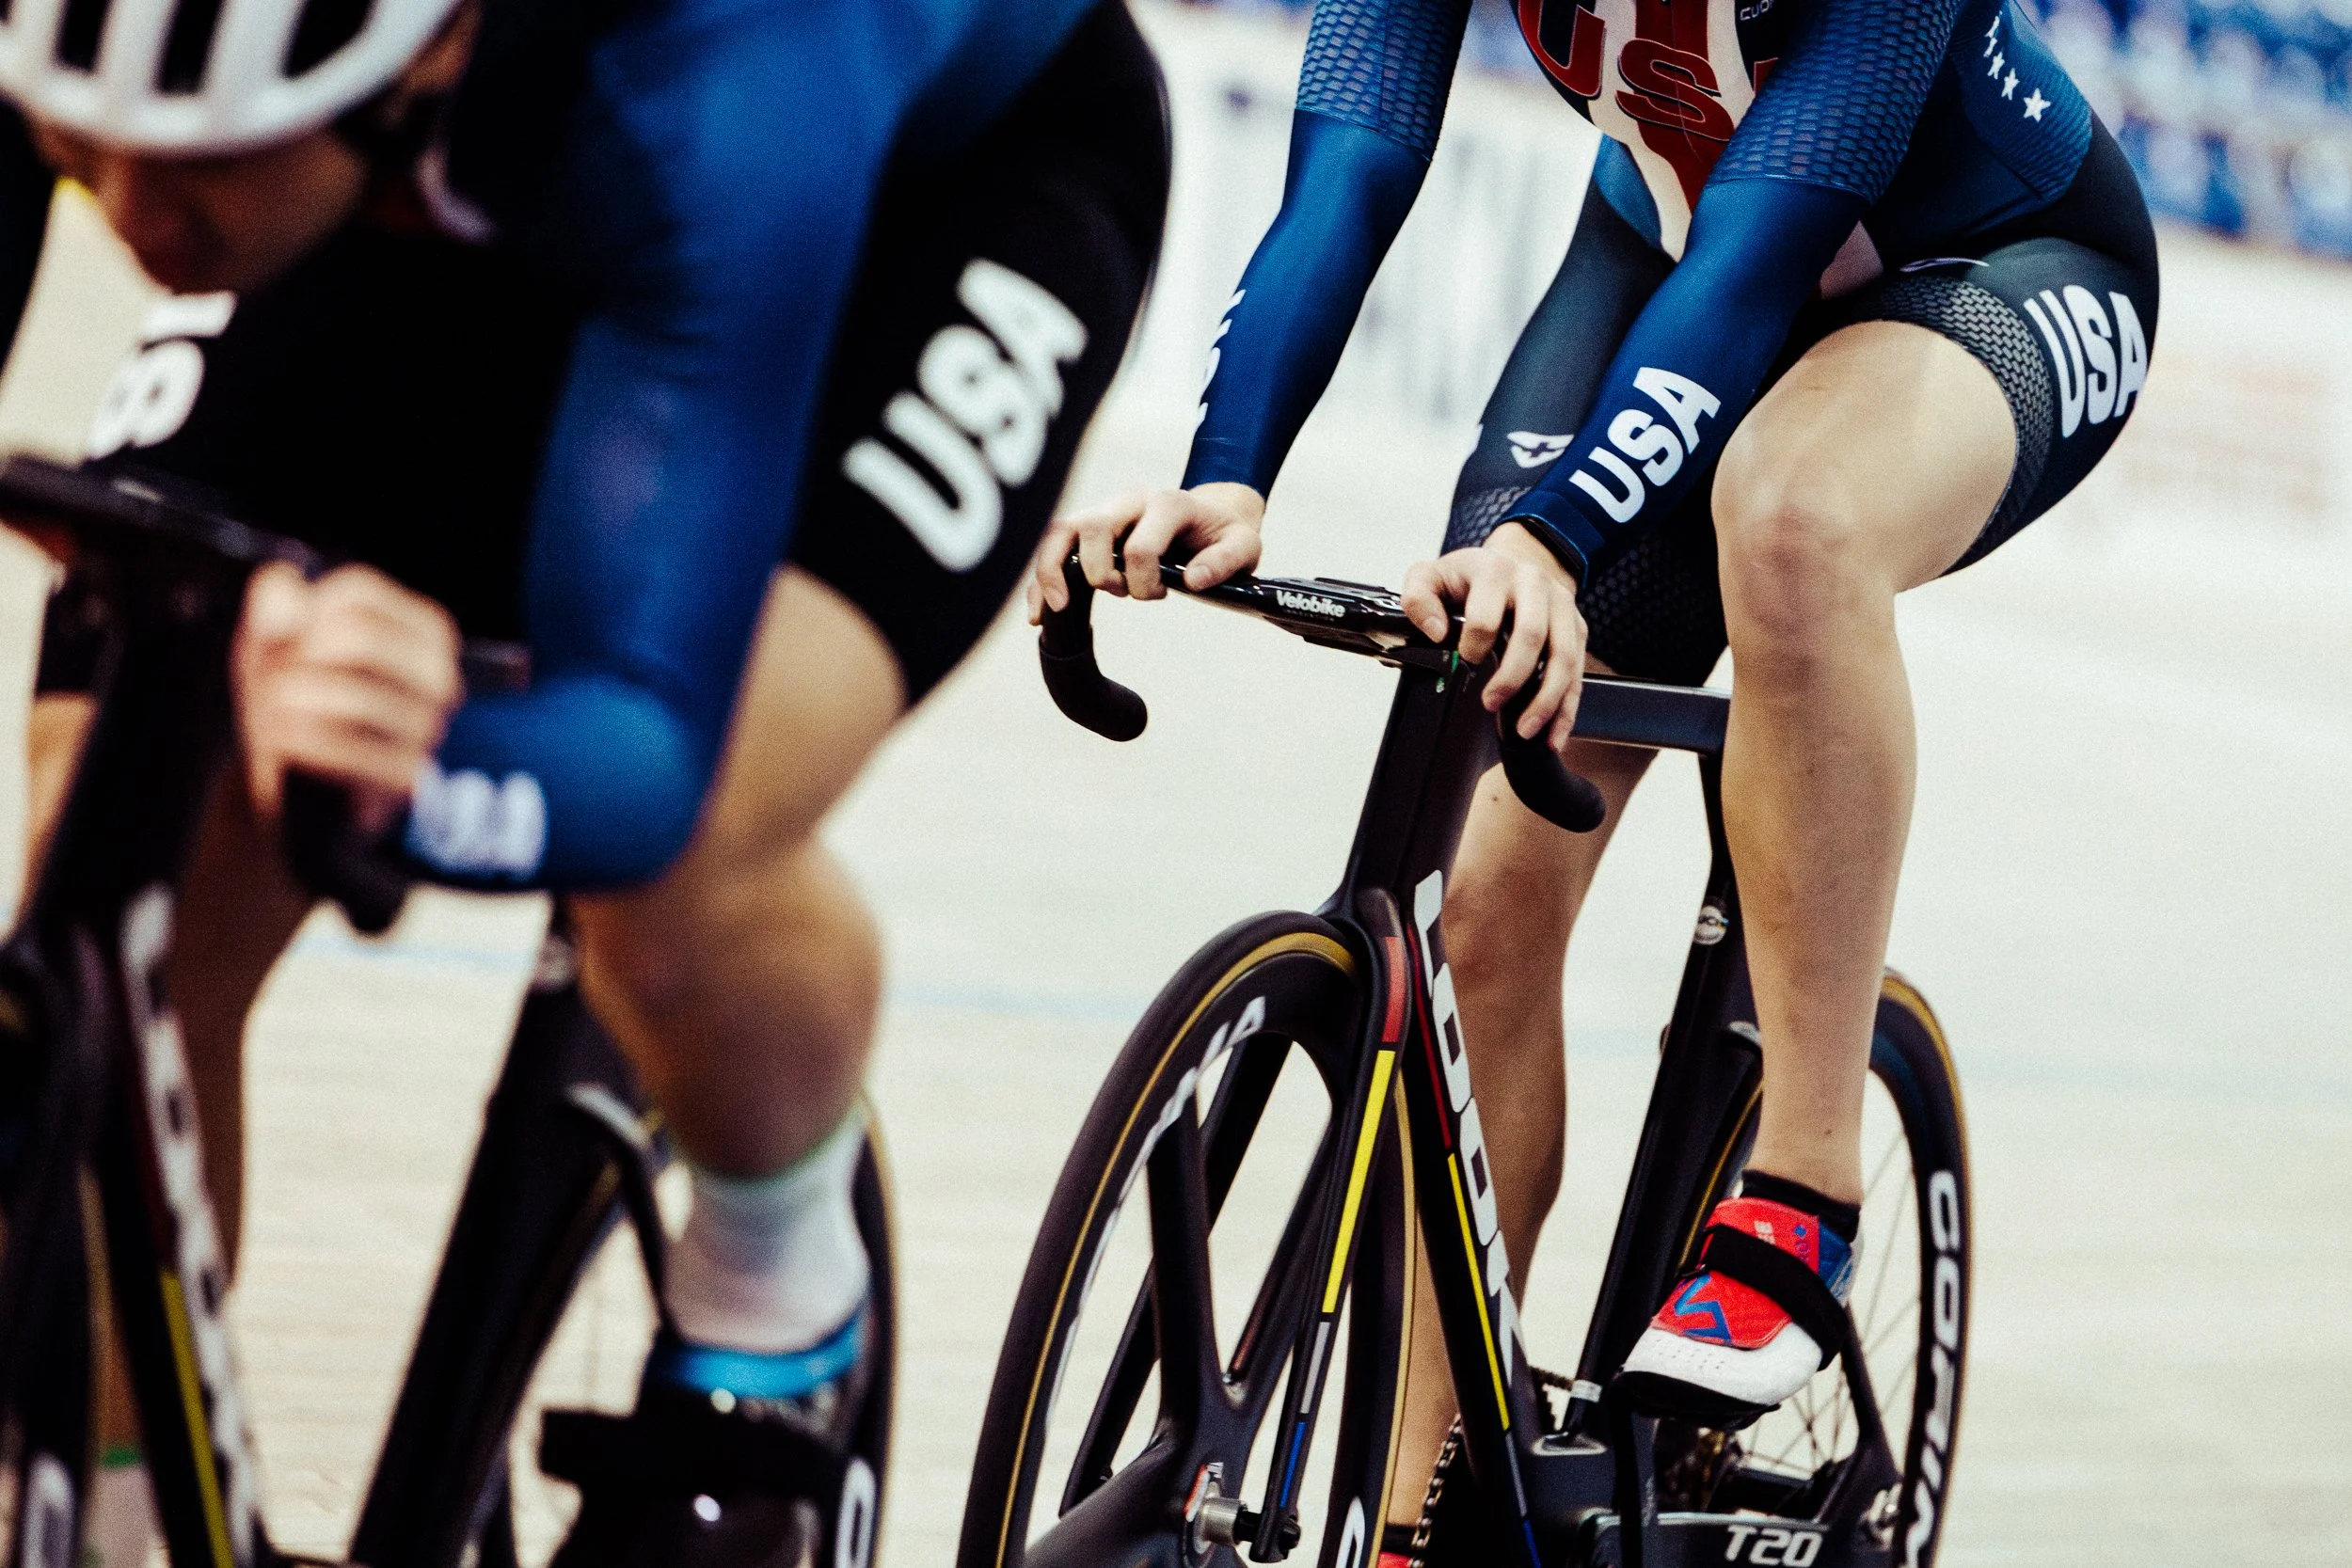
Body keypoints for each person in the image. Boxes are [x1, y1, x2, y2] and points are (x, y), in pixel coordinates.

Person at [1, 0, 1167, 1556]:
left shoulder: (717, 106)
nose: (134, 218)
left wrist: (398, 763)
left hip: (938, 183)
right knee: (114, 815)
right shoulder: (185, 86)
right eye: (85, 155)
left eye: (195, 167)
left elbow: (645, 751)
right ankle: (130, 1503)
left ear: (399, 64)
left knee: (689, 861)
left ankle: (774, 1281)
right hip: (478, 155)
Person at [1033, 0, 2154, 1554]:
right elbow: (1349, 168)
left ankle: (1801, 1189)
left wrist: (1558, 537)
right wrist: (1229, 468)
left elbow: (1765, 260)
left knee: (1793, 518)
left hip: (1998, 262)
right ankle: (1422, 1505)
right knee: (1481, 909)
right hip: (1668, 245)